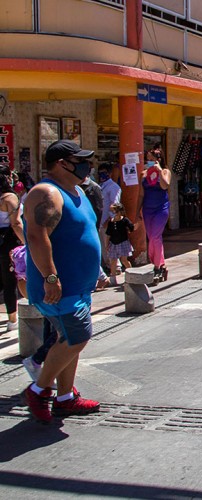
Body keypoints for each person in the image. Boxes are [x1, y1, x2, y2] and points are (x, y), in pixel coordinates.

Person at [21, 139, 104, 423]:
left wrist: (99, 272)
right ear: (61, 164)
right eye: (80, 160)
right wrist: (51, 277)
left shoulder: (77, 190)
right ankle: (39, 389)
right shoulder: (46, 193)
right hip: (59, 288)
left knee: (67, 339)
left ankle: (66, 397)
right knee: (78, 337)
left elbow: (84, 234)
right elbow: (36, 236)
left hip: (79, 286)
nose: (87, 165)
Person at [138, 150, 171, 282]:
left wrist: (159, 170)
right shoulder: (144, 175)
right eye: (147, 159)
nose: (148, 161)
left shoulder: (165, 172)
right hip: (147, 209)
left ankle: (156, 266)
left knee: (155, 237)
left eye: (151, 159)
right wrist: (136, 213)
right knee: (151, 237)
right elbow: (140, 195)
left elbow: (165, 185)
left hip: (161, 208)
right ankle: (161, 263)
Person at [0, 165, 25, 331]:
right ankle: (12, 319)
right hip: (9, 241)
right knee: (11, 281)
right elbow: (16, 223)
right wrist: (26, 241)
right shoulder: (10, 198)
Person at [97, 163, 121, 272]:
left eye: (104, 173)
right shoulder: (100, 186)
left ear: (110, 174)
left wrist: (109, 219)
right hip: (100, 221)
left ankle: (116, 267)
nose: (102, 175)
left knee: (109, 246)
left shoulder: (113, 187)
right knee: (103, 246)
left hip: (107, 221)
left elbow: (114, 204)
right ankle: (109, 266)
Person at [105, 202, 134, 276]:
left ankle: (131, 274)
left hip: (123, 242)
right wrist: (106, 244)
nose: (114, 213)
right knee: (113, 261)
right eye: (113, 211)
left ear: (120, 212)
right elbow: (108, 234)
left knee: (124, 260)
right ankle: (113, 277)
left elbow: (131, 227)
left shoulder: (124, 220)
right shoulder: (111, 222)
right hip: (113, 243)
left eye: (116, 211)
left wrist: (130, 229)